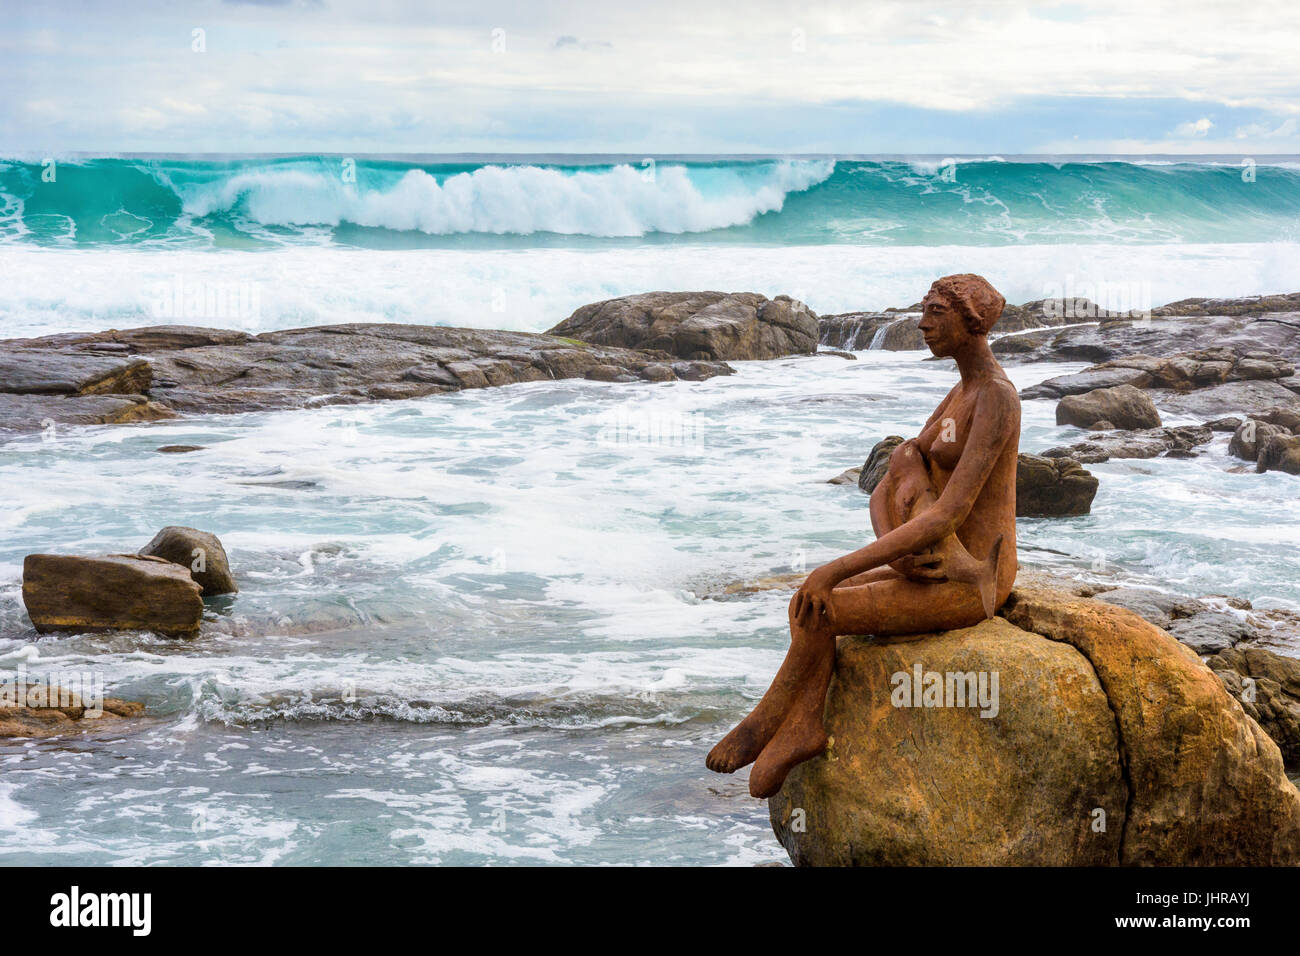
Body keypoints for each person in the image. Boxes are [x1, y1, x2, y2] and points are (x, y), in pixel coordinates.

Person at [706, 274, 1021, 798]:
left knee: (823, 600)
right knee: (805, 604)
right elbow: (895, 473)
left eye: (937, 312)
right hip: (930, 564)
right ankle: (803, 723)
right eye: (925, 310)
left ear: (972, 321)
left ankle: (766, 724)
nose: (922, 323)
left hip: (971, 578)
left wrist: (836, 568)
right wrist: (898, 542)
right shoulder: (961, 390)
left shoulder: (997, 399)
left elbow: (948, 513)